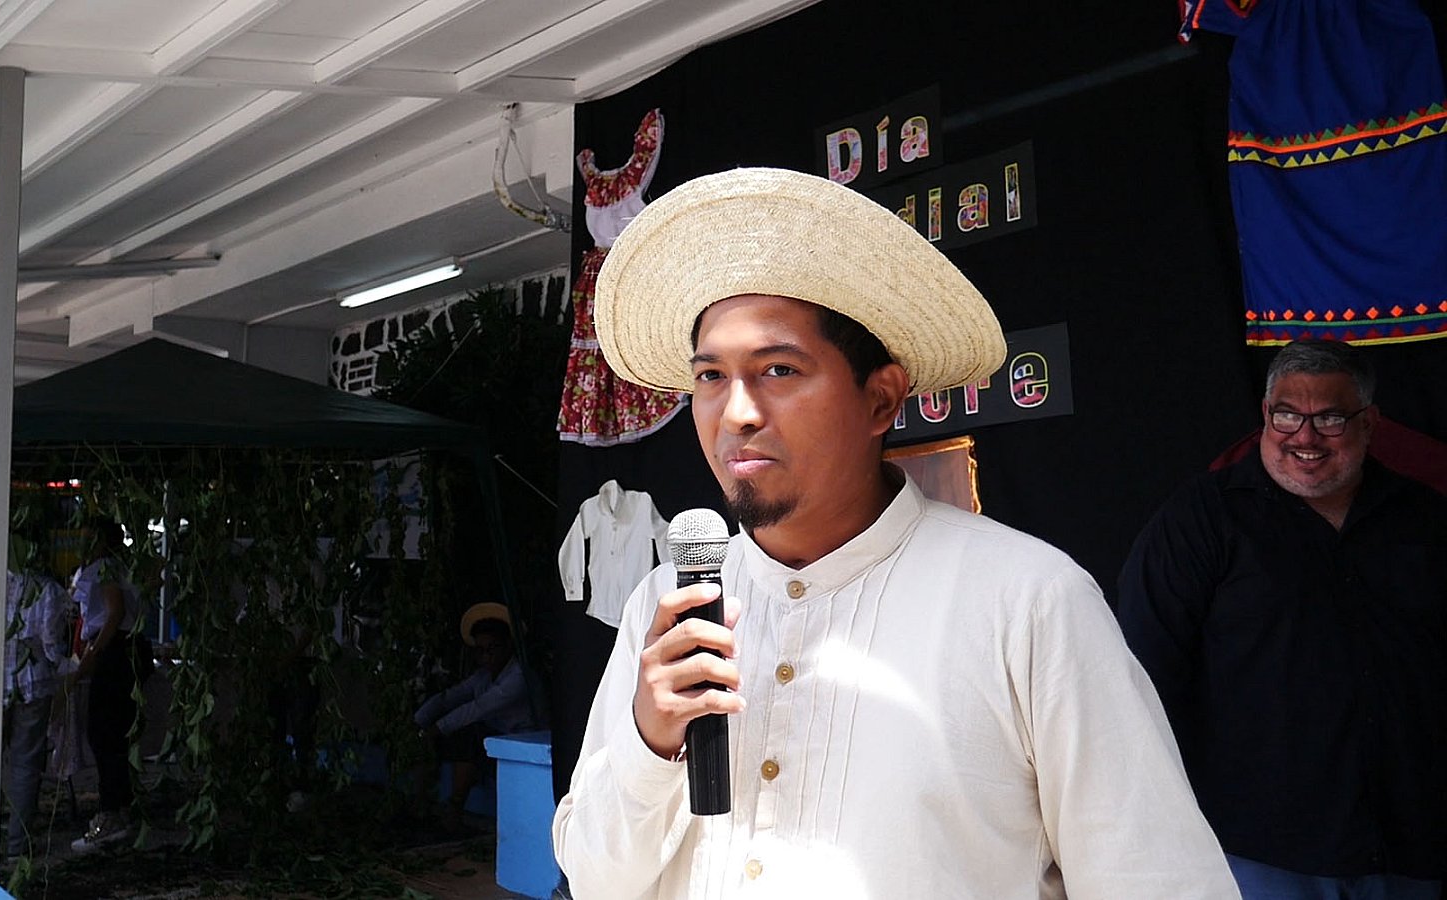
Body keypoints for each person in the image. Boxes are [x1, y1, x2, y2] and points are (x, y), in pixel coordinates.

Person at [551, 168, 1239, 899]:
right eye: (711, 377)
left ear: (881, 399)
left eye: (778, 369)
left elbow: (1158, 881)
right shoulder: (666, 605)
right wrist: (650, 741)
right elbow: (594, 880)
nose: (737, 412)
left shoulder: (1028, 602)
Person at [1118, 339, 1447, 899]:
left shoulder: (1426, 519)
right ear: (1266, 415)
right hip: (1260, 849)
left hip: (1411, 843)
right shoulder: (1200, 519)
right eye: (1288, 415)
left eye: (1331, 419)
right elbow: (1141, 670)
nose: (1305, 437)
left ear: (1369, 423)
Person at [0, 535, 72, 860]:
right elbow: (52, 649)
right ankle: (17, 845)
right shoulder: (46, 591)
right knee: (25, 765)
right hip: (32, 687)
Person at [413, 602, 536, 824]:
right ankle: (420, 802)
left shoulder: (518, 676)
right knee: (453, 738)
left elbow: (478, 708)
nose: (486, 656)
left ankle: (455, 807)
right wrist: (418, 721)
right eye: (480, 651)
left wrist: (436, 729)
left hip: (518, 739)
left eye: (492, 648)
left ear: (508, 645)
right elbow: (450, 697)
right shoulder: (483, 676)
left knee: (469, 735)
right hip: (490, 740)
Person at [69, 518, 146, 853]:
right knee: (115, 732)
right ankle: (121, 808)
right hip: (125, 649)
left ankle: (111, 814)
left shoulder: (105, 569)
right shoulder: (120, 567)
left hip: (115, 652)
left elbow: (114, 613)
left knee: (104, 733)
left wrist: (93, 653)